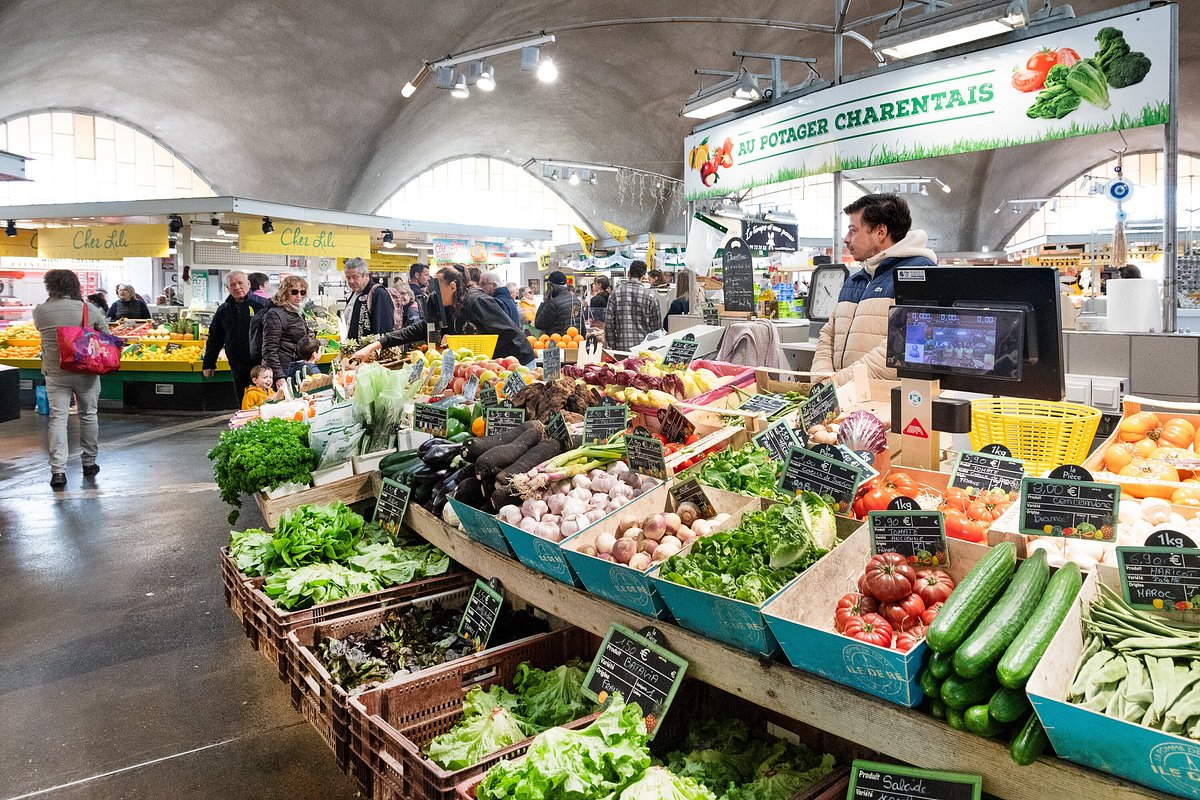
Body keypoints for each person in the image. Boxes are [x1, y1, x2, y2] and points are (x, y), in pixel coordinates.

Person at [812, 193, 937, 385]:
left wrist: (837, 383)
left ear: (880, 232)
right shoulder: (856, 280)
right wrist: (822, 379)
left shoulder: (919, 275)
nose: (846, 239)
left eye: (853, 230)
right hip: (842, 396)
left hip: (885, 400)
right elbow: (829, 335)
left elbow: (904, 346)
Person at [354, 266, 534, 366]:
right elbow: (419, 329)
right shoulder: (448, 308)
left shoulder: (476, 301)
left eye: (437, 288)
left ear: (453, 286)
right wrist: (374, 346)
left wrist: (481, 355)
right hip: (490, 366)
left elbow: (508, 332)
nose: (434, 294)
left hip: (519, 363)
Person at [33, 270, 108, 488]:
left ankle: (58, 471)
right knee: (88, 415)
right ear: (75, 286)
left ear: (50, 286)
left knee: (57, 419)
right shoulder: (88, 309)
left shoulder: (40, 311)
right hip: (85, 371)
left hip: (55, 373)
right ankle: (89, 462)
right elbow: (106, 334)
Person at [202, 270, 265, 401]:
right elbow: (215, 338)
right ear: (228, 288)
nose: (237, 287)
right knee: (243, 401)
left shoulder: (263, 306)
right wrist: (209, 363)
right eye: (232, 285)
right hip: (237, 365)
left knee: (263, 401)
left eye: (240, 283)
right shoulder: (223, 310)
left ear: (248, 284)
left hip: (261, 366)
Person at [261, 275, 313, 388]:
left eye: (302, 292)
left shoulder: (296, 312)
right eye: (294, 292)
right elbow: (269, 349)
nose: (299, 296)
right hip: (283, 370)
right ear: (284, 292)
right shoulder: (274, 314)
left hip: (294, 367)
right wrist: (279, 376)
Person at [605, 261, 662, 351]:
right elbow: (656, 328)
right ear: (643, 276)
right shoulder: (651, 296)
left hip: (622, 348)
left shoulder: (615, 294)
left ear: (629, 273)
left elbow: (609, 323)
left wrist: (613, 344)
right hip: (644, 350)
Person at [342, 257, 395, 337]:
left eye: (355, 277)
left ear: (366, 275)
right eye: (348, 278)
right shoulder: (354, 293)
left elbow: (383, 328)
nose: (351, 281)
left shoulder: (378, 294)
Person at [534, 271, 580, 336]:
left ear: (551, 287)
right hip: (574, 340)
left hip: (557, 340)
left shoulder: (553, 304)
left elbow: (539, 325)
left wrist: (544, 302)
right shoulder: (576, 300)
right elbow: (581, 325)